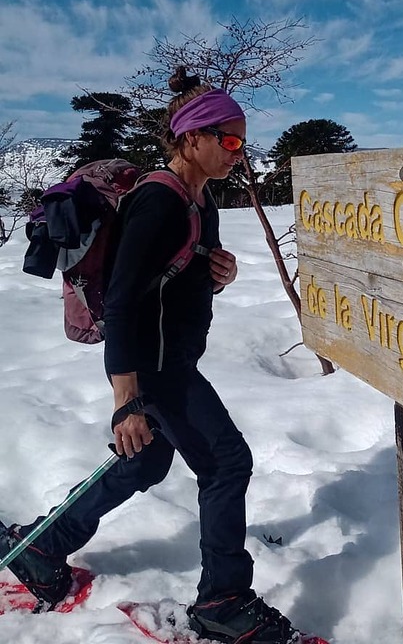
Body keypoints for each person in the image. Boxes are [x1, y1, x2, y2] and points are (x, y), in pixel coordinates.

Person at [0, 70, 299, 644]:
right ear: (191, 139)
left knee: (145, 462)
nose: (239, 152)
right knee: (226, 463)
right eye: (229, 140)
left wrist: (221, 273)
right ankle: (223, 600)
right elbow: (124, 299)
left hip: (172, 357)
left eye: (243, 141)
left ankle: (43, 546)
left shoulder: (201, 199)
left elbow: (178, 280)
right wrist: (127, 399)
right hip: (154, 366)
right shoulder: (158, 200)